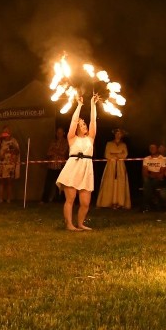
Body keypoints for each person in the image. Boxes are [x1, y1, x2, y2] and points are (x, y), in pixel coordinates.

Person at [56, 94, 98, 231]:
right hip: (73, 168)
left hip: (86, 169)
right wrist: (79, 105)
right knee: (71, 198)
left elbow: (93, 121)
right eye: (82, 125)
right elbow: (74, 121)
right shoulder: (72, 138)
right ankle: (69, 224)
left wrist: (92, 104)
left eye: (84, 124)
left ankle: (80, 223)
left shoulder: (90, 138)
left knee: (85, 202)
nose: (84, 126)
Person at [96, 128, 131, 209]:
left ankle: (120, 202)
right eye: (117, 133)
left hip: (120, 165)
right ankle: (107, 202)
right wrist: (116, 155)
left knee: (120, 182)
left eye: (120, 134)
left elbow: (125, 154)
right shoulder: (109, 143)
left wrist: (116, 155)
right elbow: (107, 154)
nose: (118, 135)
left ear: (122, 135)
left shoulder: (123, 145)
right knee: (109, 182)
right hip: (110, 165)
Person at [0, 126, 20, 203]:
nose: (6, 133)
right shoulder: (0, 141)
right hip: (1, 163)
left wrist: (13, 146)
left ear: (10, 132)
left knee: (9, 182)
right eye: (4, 131)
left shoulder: (14, 140)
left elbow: (17, 151)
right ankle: (0, 199)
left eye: (7, 131)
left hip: (10, 163)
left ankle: (8, 199)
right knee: (1, 182)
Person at [40, 126, 68, 203]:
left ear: (63, 133)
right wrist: (56, 151)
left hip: (61, 166)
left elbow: (63, 152)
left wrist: (54, 150)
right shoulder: (53, 142)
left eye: (60, 132)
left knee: (61, 185)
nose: (59, 134)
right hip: (52, 165)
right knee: (48, 184)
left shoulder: (65, 142)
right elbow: (48, 153)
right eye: (58, 132)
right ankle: (44, 199)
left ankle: (60, 200)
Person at [140, 143, 166, 212]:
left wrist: (151, 173)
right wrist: (153, 174)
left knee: (148, 184)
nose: (152, 149)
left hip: (158, 180)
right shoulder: (146, 159)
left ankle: (146, 206)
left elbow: (161, 174)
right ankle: (149, 205)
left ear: (157, 149)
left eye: (153, 147)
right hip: (149, 179)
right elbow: (144, 172)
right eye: (150, 148)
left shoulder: (162, 158)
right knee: (147, 182)